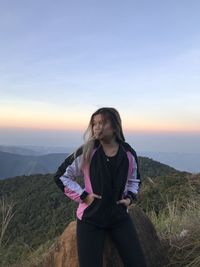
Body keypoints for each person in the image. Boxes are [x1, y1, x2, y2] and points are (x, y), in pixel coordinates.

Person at [54, 107, 146, 267]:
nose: (97, 127)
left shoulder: (128, 153)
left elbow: (134, 180)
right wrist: (84, 196)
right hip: (91, 218)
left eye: (102, 123)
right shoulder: (87, 151)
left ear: (115, 126)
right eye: (94, 123)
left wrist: (129, 199)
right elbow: (61, 176)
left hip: (119, 218)